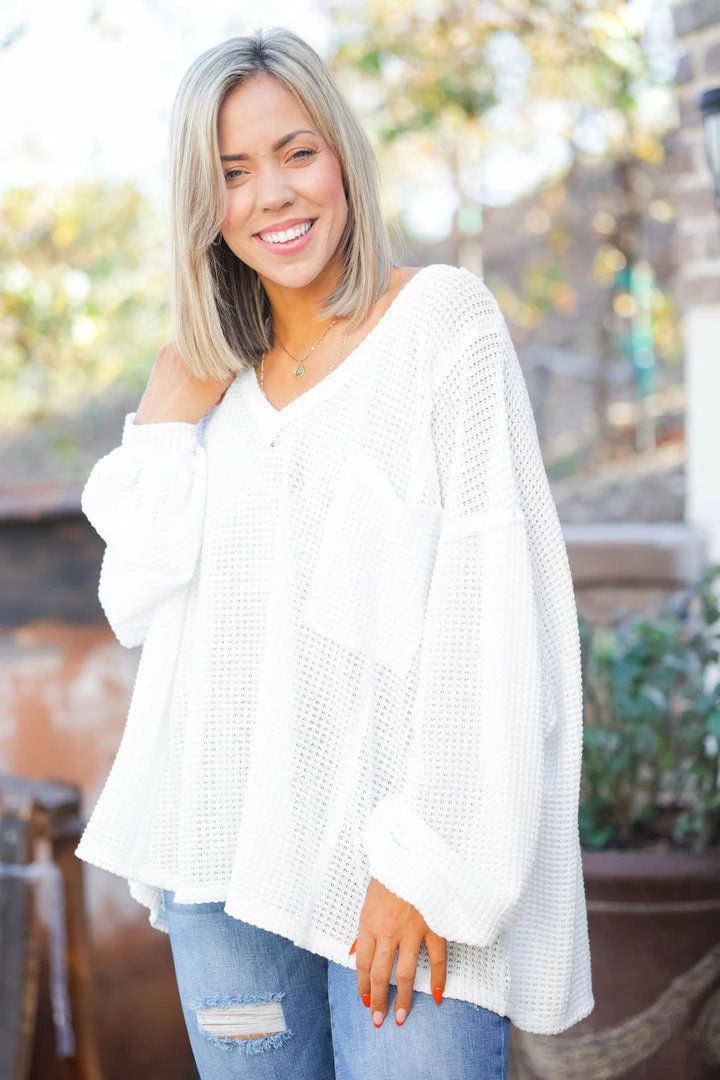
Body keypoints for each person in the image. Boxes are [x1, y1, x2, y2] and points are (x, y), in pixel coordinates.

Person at [75, 25, 594, 1080]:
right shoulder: (213, 390)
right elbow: (138, 597)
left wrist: (429, 866)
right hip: (219, 873)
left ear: (343, 158)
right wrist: (164, 427)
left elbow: (492, 617)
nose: (272, 194)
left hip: (402, 883)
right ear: (203, 203)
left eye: (296, 152)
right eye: (232, 172)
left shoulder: (442, 325)